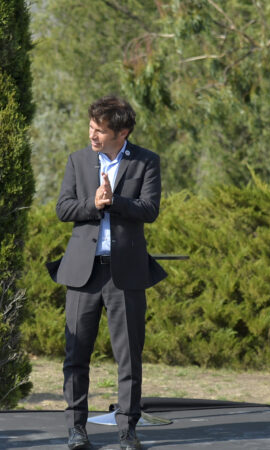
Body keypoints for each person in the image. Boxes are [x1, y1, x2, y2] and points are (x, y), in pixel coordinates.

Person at [51, 95, 165, 450]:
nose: (92, 135)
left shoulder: (146, 161)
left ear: (122, 133)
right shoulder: (78, 160)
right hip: (83, 274)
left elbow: (149, 209)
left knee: (129, 356)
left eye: (100, 131)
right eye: (91, 128)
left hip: (125, 274)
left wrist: (115, 202)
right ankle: (76, 428)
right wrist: (93, 203)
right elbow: (63, 208)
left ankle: (128, 429)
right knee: (75, 355)